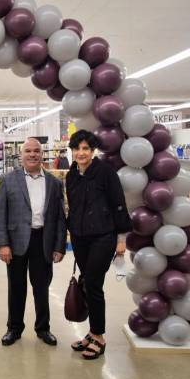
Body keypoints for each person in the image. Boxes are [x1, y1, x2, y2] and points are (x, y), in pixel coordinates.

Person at [0, 138, 67, 347]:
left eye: (36, 151)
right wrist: (3, 244)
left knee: (41, 287)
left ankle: (43, 328)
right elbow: (0, 215)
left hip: (42, 240)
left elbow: (60, 218)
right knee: (16, 287)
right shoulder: (8, 180)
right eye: (28, 151)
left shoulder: (54, 183)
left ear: (42, 154)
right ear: (21, 155)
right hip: (16, 242)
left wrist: (59, 246)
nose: (33, 154)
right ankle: (14, 328)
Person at [66, 129, 132, 360]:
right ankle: (91, 334)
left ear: (92, 151)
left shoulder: (105, 172)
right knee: (87, 283)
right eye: (77, 148)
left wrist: (121, 239)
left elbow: (118, 204)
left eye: (85, 148)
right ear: (72, 151)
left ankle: (99, 336)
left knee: (93, 284)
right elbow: (73, 206)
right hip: (80, 238)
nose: (81, 153)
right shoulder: (72, 175)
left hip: (103, 237)